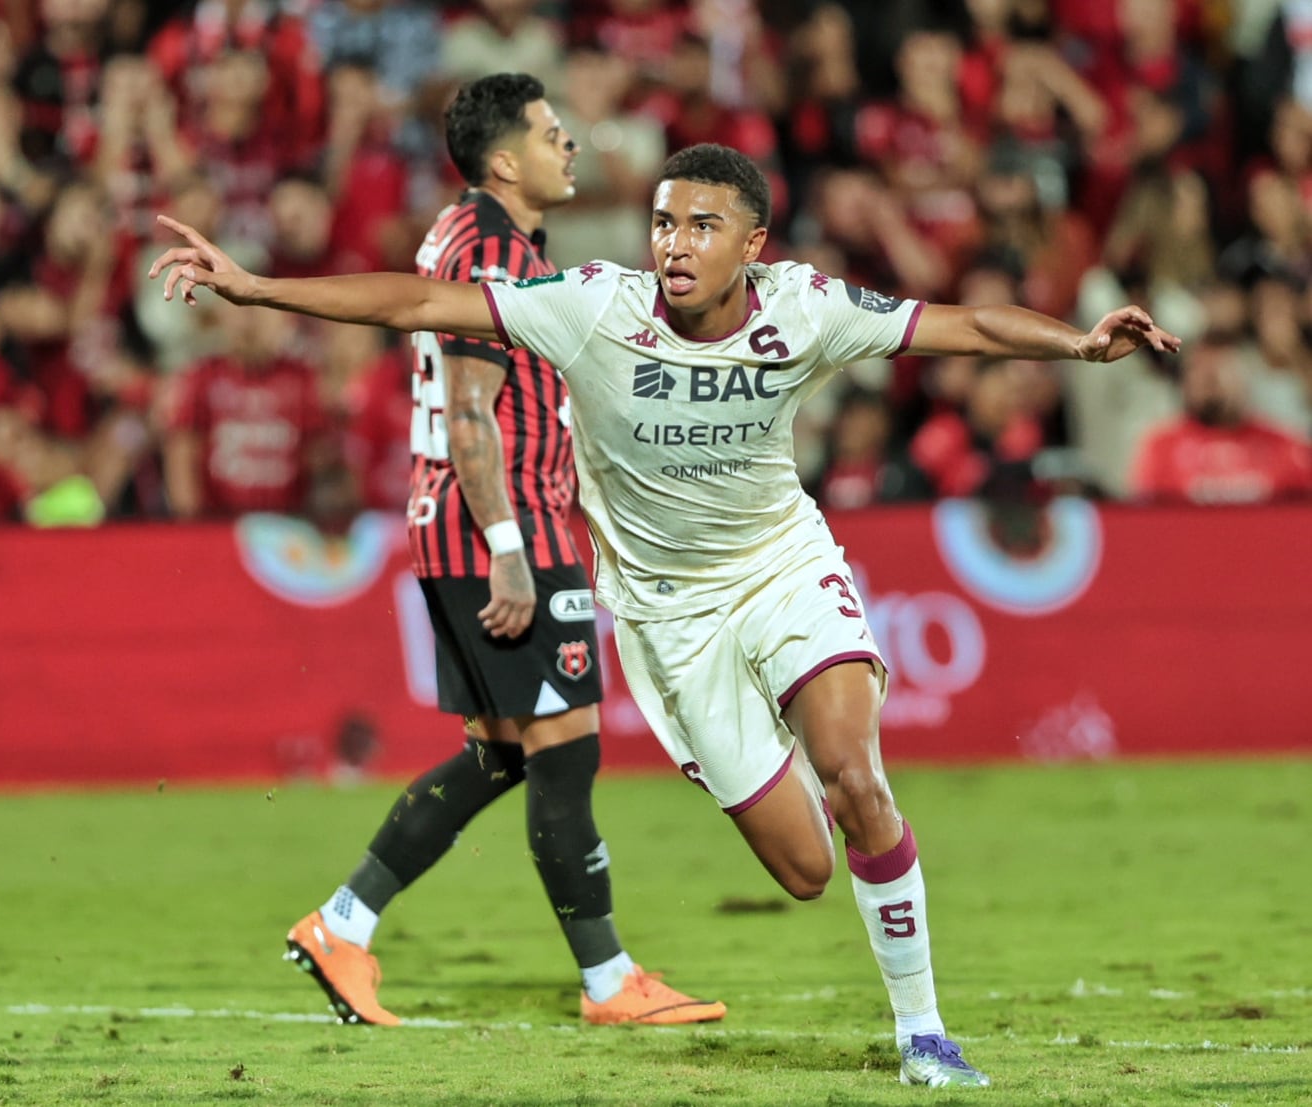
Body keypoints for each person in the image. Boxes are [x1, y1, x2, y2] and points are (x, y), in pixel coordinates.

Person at [151, 141, 1180, 1083]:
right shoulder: (593, 306)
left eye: (699, 227)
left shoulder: (802, 306)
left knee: (858, 778)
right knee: (807, 870)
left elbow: (957, 326)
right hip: (669, 625)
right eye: (661, 223)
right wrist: (253, 287)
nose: (673, 245)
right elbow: (417, 304)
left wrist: (1079, 348)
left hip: (782, 568)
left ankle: (921, 1033)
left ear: (752, 243)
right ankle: (822, 829)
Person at [282, 75, 724, 1027]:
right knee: (565, 752)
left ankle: (343, 921)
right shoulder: (489, 248)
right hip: (500, 520)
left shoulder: (463, 236)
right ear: (503, 159)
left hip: (458, 521)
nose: (570, 148)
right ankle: (610, 981)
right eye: (552, 134)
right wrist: (511, 548)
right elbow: (474, 411)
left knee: (500, 755)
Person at [1129, 330, 1312, 503]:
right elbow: (1148, 520)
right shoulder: (1162, 448)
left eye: (1218, 373)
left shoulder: (1287, 448)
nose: (1207, 383)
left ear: (1244, 376)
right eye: (1197, 371)